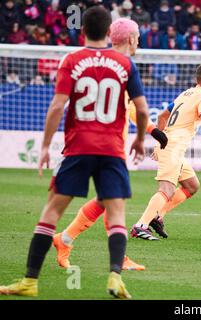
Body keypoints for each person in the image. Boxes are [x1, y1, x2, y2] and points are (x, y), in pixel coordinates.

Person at [0, 6, 149, 299]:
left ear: (82, 31)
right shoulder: (124, 64)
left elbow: (57, 106)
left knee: (51, 212)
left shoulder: (72, 59)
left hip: (78, 148)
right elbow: (142, 110)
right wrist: (141, 140)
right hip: (112, 150)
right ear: (109, 32)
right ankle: (115, 277)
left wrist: (44, 146)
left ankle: (30, 282)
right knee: (117, 214)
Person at [52, 18, 169, 271]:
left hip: (94, 143)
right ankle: (115, 258)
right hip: (104, 145)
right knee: (112, 199)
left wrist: (150, 130)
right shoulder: (122, 66)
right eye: (137, 36)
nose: (139, 40)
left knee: (107, 199)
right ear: (130, 39)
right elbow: (133, 106)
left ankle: (64, 240)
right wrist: (148, 132)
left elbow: (119, 105)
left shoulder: (97, 62)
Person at [130, 64, 201, 240]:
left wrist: (159, 142)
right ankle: (140, 225)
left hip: (171, 146)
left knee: (192, 185)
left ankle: (158, 214)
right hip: (173, 147)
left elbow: (162, 116)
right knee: (167, 189)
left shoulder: (186, 94)